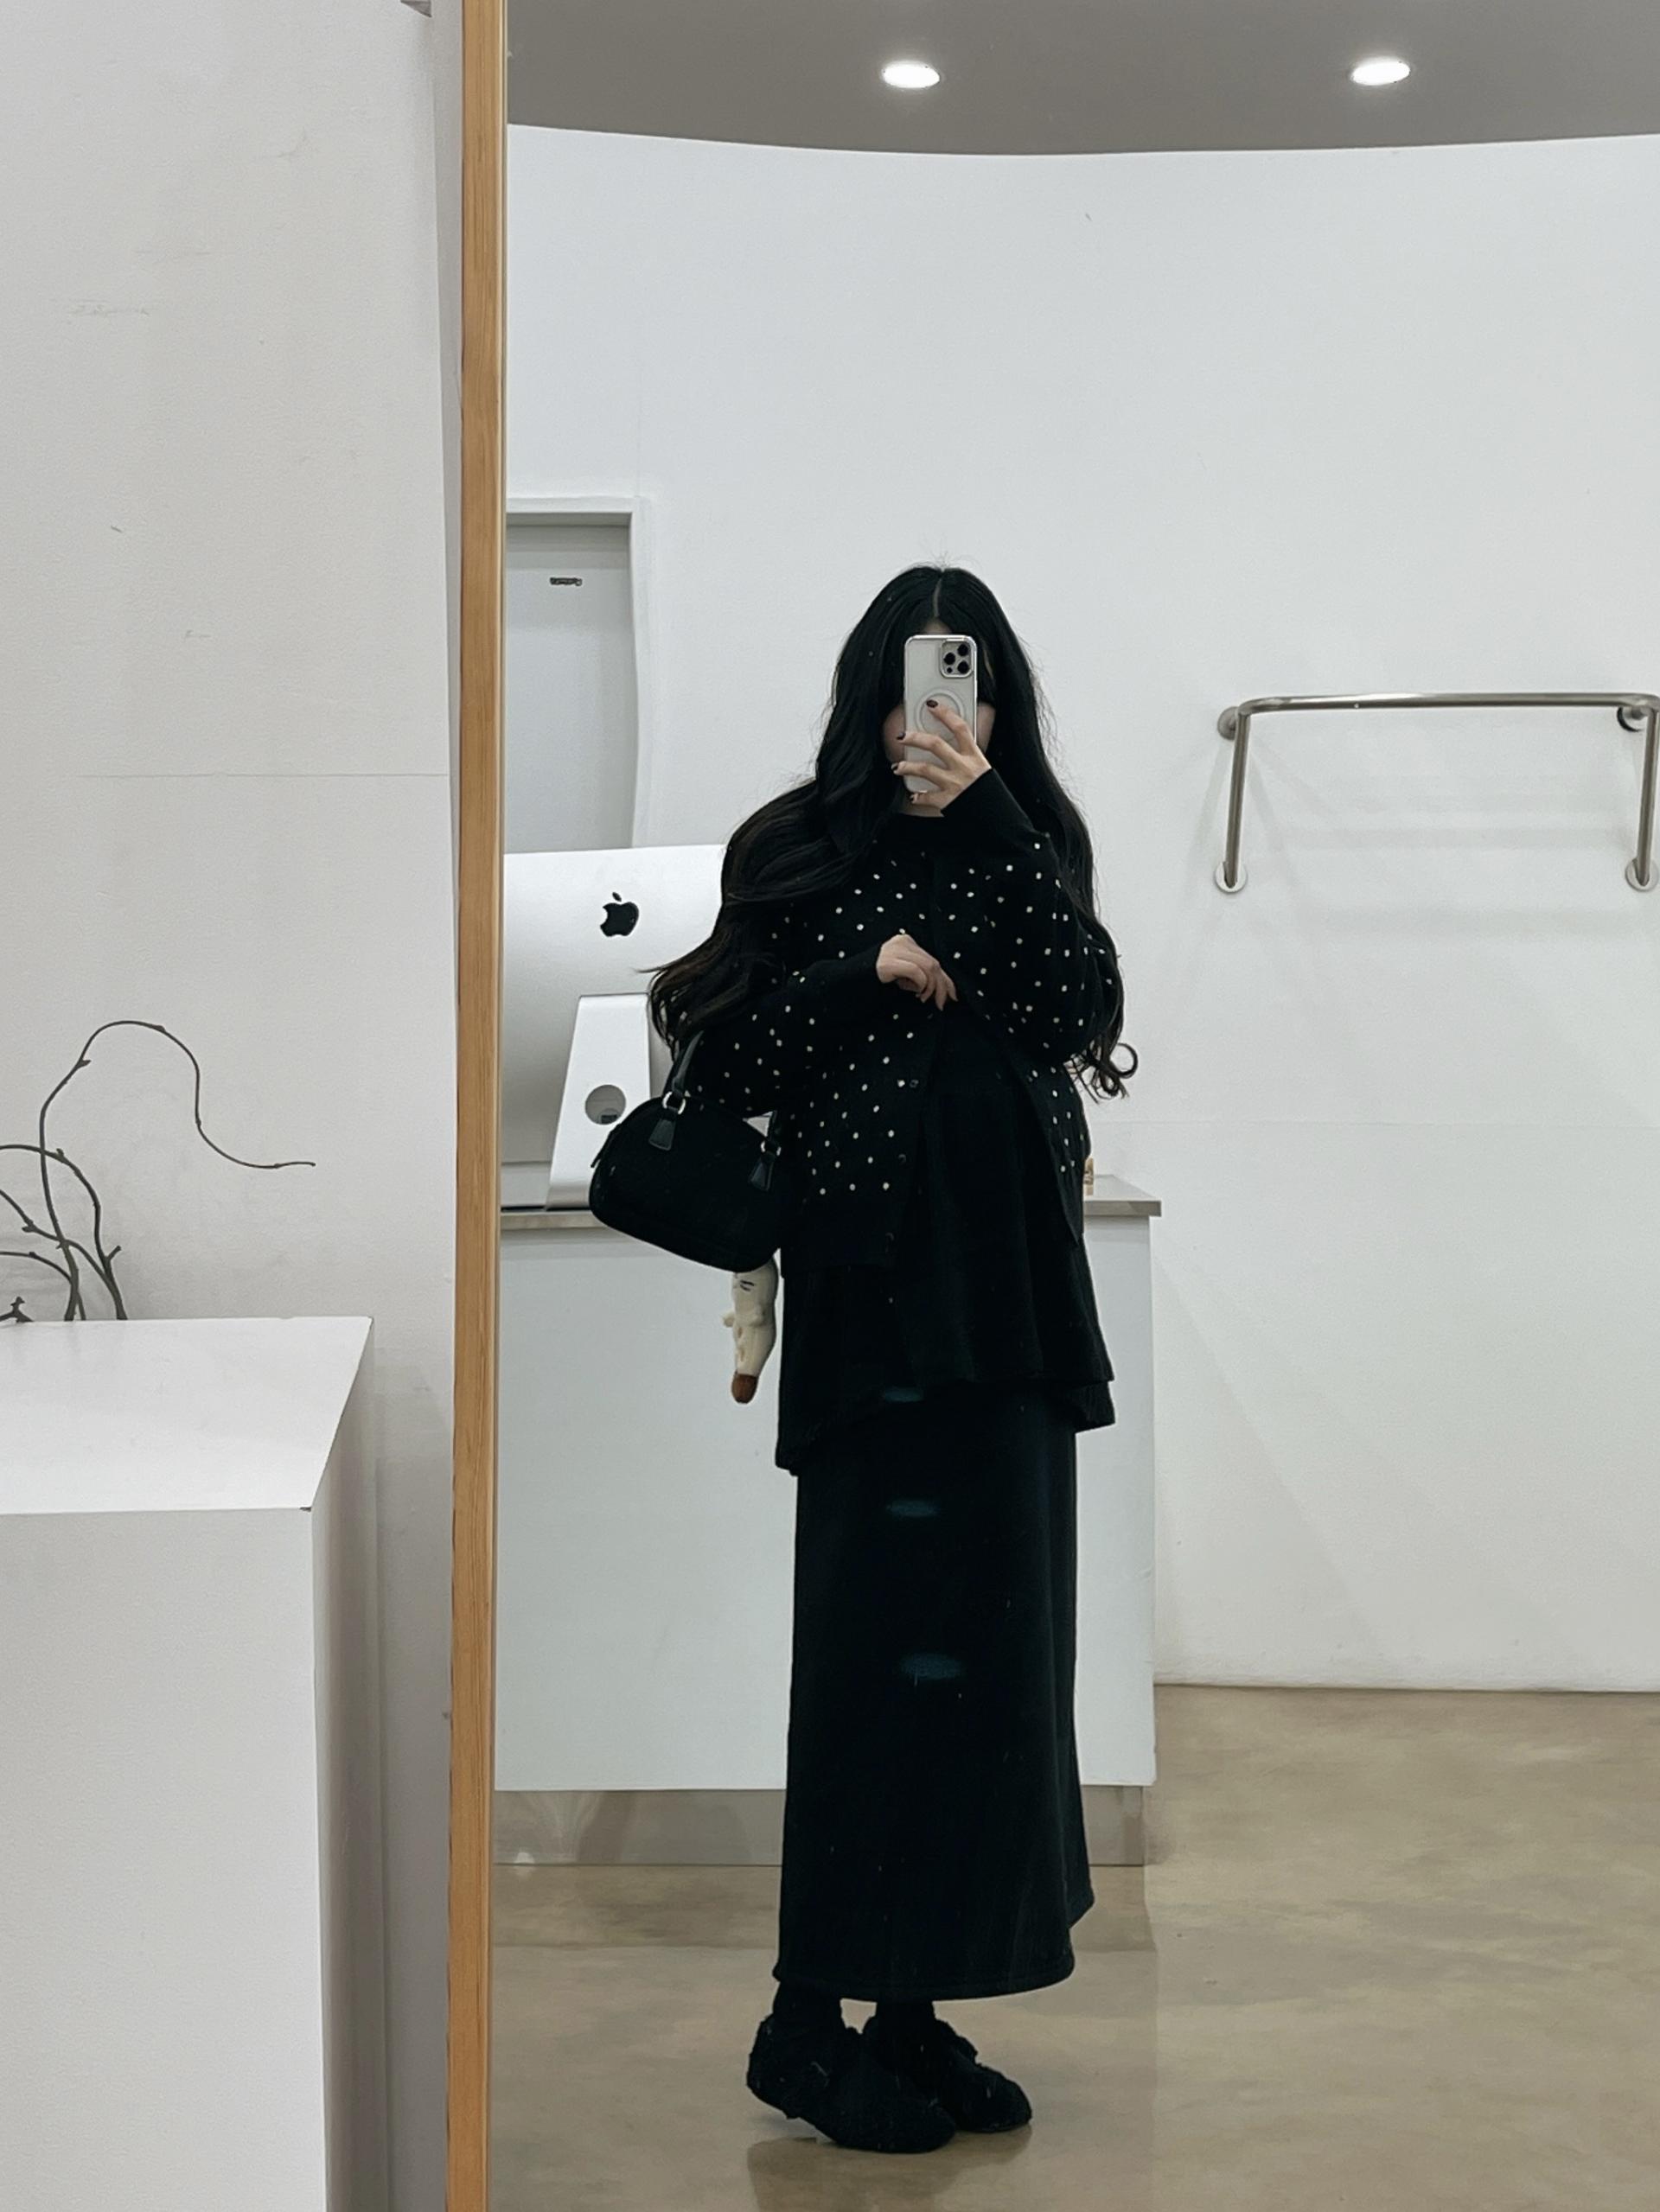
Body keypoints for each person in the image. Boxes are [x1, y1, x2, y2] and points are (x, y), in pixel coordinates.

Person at [648, 565, 1133, 2154]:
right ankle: (805, 2023)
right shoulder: (798, 845)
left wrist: (995, 825)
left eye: (969, 680)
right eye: (921, 680)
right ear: (874, 692)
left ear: (999, 700)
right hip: (875, 1305)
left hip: (1012, 1302)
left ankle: (913, 2012)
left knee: (987, 1670)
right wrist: (860, 972)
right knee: (876, 1668)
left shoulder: (1027, 837)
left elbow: (1076, 1011)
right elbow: (719, 1050)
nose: (942, 709)